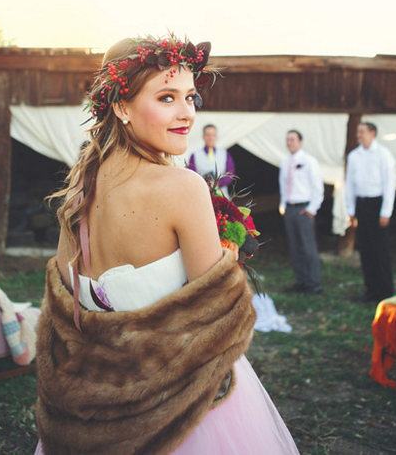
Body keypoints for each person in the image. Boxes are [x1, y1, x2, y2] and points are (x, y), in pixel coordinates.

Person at [35, 35, 299, 455]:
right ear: (121, 106)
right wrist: (227, 260)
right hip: (179, 407)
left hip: (98, 405)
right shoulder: (183, 187)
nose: (186, 114)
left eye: (191, 97)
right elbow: (217, 318)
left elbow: (66, 309)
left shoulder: (78, 194)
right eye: (166, 97)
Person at [344, 121, 395, 302]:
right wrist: (350, 210)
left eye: (362, 131)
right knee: (365, 248)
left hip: (377, 204)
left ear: (372, 133)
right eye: (358, 132)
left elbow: (389, 184)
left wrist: (386, 212)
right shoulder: (354, 156)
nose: (359, 135)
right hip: (361, 204)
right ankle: (371, 289)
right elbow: (349, 184)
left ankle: (386, 290)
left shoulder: (383, 155)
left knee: (380, 248)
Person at [279, 130, 324, 294]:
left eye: (292, 139)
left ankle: (314, 283)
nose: (289, 142)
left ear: (300, 141)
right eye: (287, 139)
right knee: (295, 247)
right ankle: (302, 281)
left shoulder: (309, 161)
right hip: (290, 209)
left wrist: (312, 209)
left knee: (308, 247)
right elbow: (283, 186)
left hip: (304, 209)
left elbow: (317, 187)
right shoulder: (285, 163)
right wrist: (283, 205)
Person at [187, 124, 235, 196]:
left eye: (213, 135)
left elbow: (230, 173)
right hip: (202, 194)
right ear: (203, 136)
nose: (210, 138)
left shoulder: (225, 154)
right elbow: (191, 174)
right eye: (208, 135)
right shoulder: (194, 155)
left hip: (222, 194)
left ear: (216, 137)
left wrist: (218, 183)